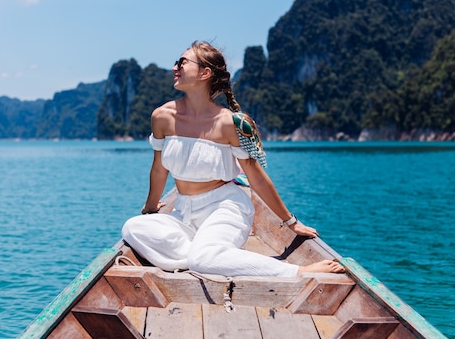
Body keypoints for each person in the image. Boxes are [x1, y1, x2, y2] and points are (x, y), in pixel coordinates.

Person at [122, 41, 344, 277]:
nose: (175, 67)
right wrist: (150, 207)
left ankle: (297, 271)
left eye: (182, 62)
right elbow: (159, 169)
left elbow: (256, 178)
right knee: (133, 227)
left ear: (204, 73)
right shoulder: (162, 116)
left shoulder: (230, 123)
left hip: (225, 207)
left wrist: (291, 222)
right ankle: (210, 254)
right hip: (184, 211)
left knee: (201, 259)